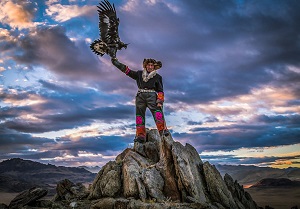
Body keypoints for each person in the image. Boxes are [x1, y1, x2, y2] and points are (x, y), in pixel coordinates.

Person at [111, 56, 170, 143]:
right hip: (140, 97)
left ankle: (163, 130)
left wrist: (160, 101)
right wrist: (116, 63)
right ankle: (141, 136)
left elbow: (160, 90)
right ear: (145, 66)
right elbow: (128, 71)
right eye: (148, 65)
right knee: (139, 116)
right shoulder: (139, 74)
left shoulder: (158, 77)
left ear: (154, 67)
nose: (150, 67)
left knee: (158, 113)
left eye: (152, 65)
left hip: (152, 96)